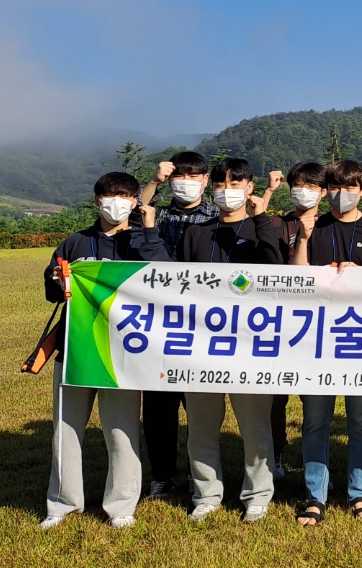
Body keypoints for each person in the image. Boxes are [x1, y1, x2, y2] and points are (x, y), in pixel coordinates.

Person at [40, 172, 170, 529]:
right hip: (76, 350)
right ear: (97, 201)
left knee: (122, 431)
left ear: (135, 201)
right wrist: (57, 280)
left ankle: (122, 505)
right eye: (110, 196)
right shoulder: (76, 242)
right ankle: (61, 505)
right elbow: (51, 292)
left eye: (125, 196)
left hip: (123, 354)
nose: (117, 203)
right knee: (65, 431)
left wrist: (149, 231)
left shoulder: (141, 241)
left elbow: (166, 278)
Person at [175, 157, 285, 522]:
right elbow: (177, 285)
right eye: (221, 185)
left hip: (250, 345)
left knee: (255, 426)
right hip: (201, 345)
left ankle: (258, 494)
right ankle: (206, 493)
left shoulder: (264, 228)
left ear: (250, 187)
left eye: (235, 184)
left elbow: (276, 270)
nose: (227, 191)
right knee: (201, 427)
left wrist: (261, 219)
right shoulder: (197, 233)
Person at [291, 158, 362, 525]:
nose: (341, 194)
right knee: (315, 421)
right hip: (318, 339)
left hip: (361, 339)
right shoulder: (314, 227)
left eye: (349, 187)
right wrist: (303, 240)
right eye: (334, 187)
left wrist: (359, 275)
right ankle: (314, 497)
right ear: (326, 191)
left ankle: (358, 494)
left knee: (361, 421)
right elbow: (297, 280)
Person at [137, 151, 220, 500]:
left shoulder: (216, 215)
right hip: (160, 322)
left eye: (193, 176)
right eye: (179, 177)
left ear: (205, 181)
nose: (186, 183)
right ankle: (162, 476)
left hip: (203, 323)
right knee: (158, 408)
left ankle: (198, 475)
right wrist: (153, 181)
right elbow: (133, 210)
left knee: (200, 408)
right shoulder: (158, 214)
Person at [268, 160, 325, 475]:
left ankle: (314, 460)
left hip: (318, 325)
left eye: (311, 186)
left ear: (324, 192)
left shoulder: (329, 226)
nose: (303, 192)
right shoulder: (277, 225)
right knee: (274, 398)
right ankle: (275, 454)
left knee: (314, 398)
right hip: (279, 323)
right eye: (298, 185)